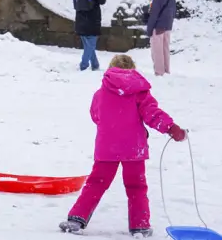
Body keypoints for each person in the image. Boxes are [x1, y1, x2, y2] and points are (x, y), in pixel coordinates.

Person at [59, 55, 186, 237]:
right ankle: (140, 225)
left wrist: (113, 126)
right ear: (133, 70)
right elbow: (152, 114)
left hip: (107, 147)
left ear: (111, 69)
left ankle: (76, 218)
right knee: (136, 186)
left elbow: (96, 116)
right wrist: (171, 128)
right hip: (133, 148)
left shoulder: (101, 93)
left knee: (96, 183)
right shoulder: (139, 92)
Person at [73, 0, 106, 71]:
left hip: (80, 18)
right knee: (91, 44)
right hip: (93, 19)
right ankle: (84, 65)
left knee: (88, 45)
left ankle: (95, 64)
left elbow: (74, 1)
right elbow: (102, 1)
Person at [146, 0, 176, 76]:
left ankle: (159, 72)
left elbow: (154, 15)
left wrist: (149, 30)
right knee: (165, 50)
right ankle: (166, 70)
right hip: (168, 27)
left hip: (158, 27)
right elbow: (173, 12)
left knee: (157, 51)